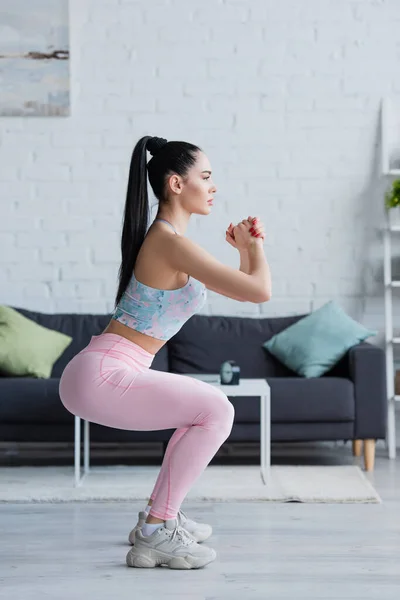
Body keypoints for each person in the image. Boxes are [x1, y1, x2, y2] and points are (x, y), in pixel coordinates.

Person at [59, 135, 271, 570]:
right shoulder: (168, 241)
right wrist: (254, 248)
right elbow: (260, 290)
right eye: (206, 177)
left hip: (102, 370)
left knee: (202, 412)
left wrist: (247, 251)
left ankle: (157, 520)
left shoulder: (171, 241)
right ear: (176, 183)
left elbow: (246, 288)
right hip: (104, 374)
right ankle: (159, 528)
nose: (213, 187)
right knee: (217, 409)